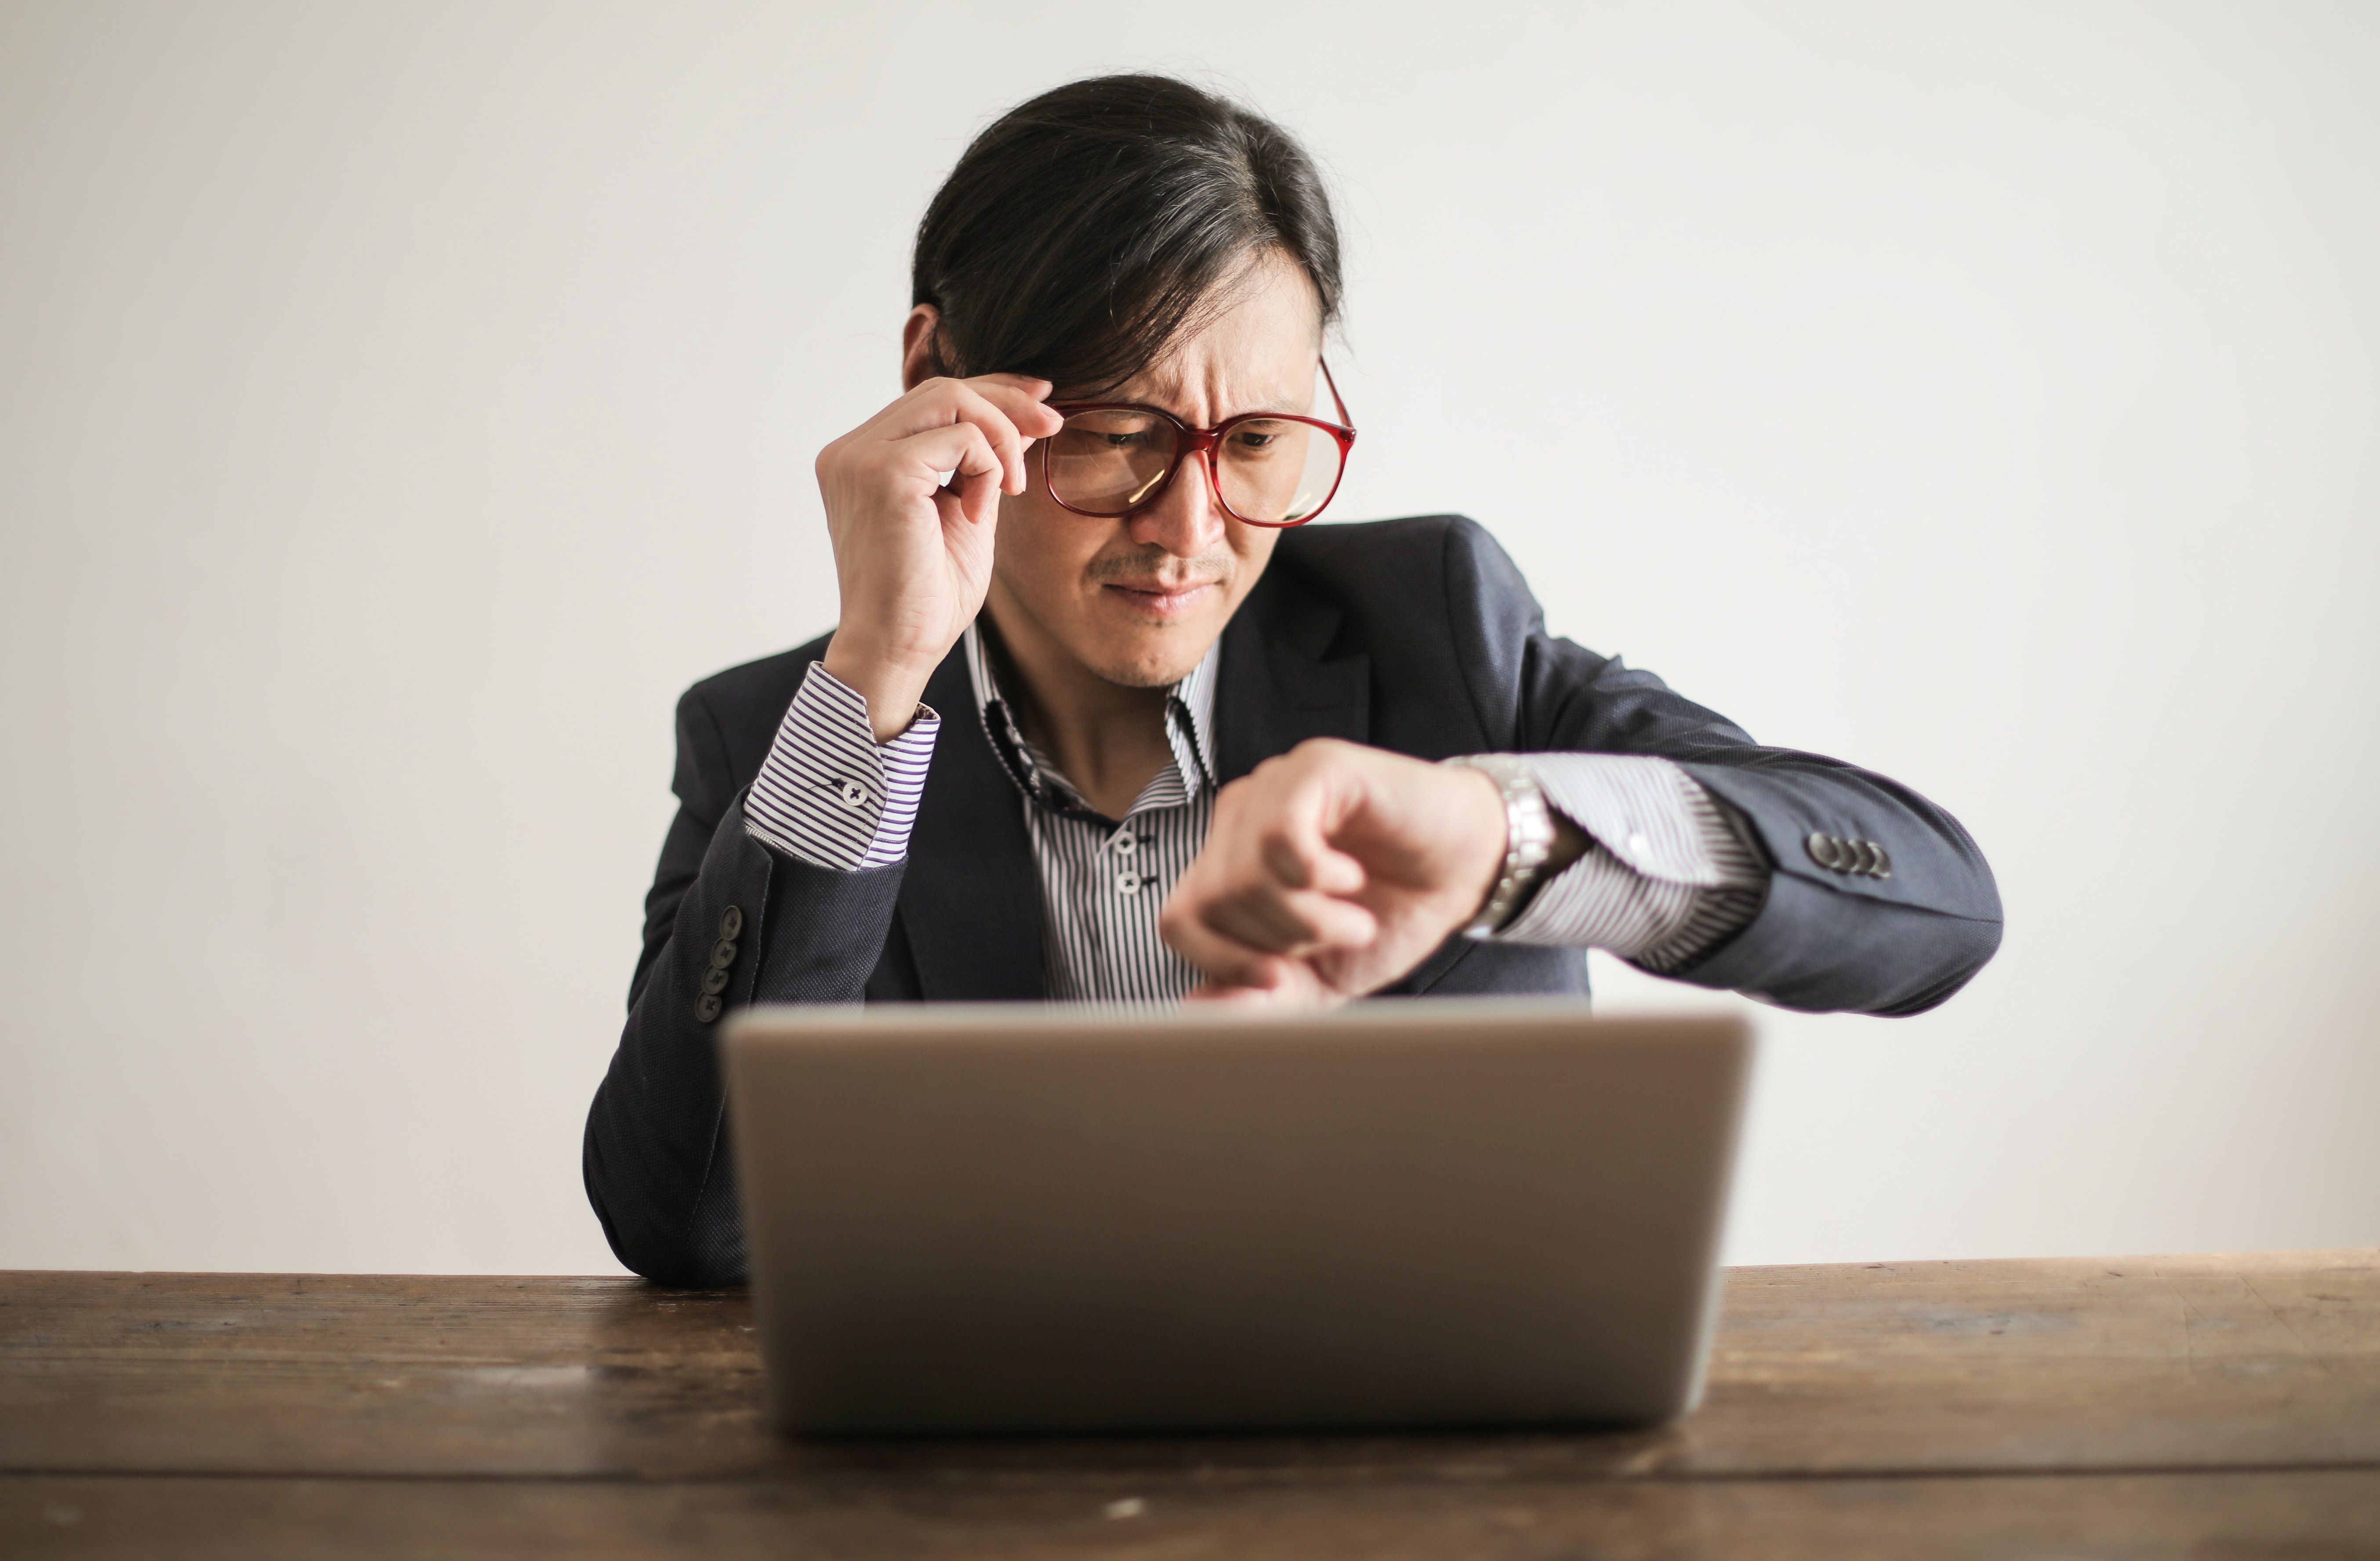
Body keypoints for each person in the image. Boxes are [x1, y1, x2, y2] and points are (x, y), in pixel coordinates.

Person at [584, 75, 2002, 1286]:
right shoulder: (783, 737)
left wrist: (1505, 844)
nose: (1189, 533)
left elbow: (1931, 906)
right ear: (937, 383)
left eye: (1257, 440)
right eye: (1116, 433)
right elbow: (689, 1225)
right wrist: (879, 682)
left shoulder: (1438, 630)